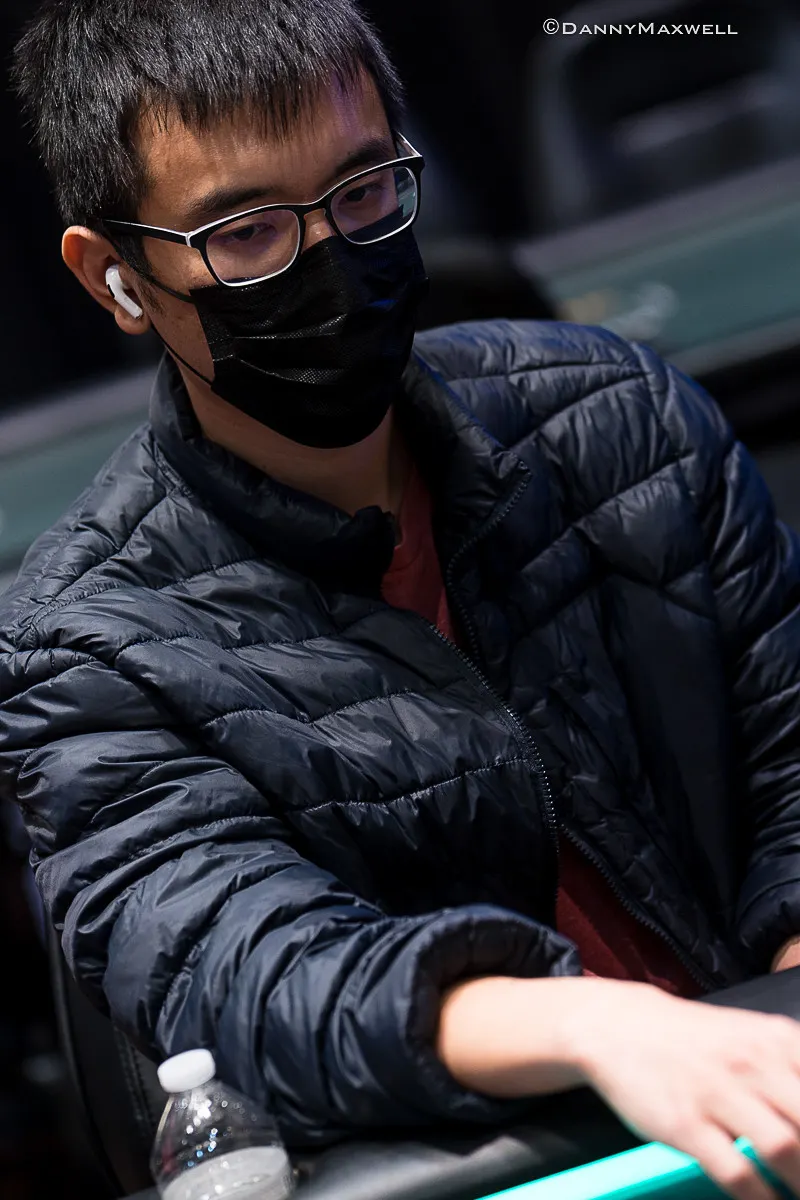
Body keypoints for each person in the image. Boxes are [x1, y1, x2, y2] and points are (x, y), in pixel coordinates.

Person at [1, 2, 800, 1198]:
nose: (328, 254)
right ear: (113, 275)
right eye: (247, 232)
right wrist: (600, 1026)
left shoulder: (623, 420)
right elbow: (253, 979)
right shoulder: (85, 650)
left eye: (363, 189)